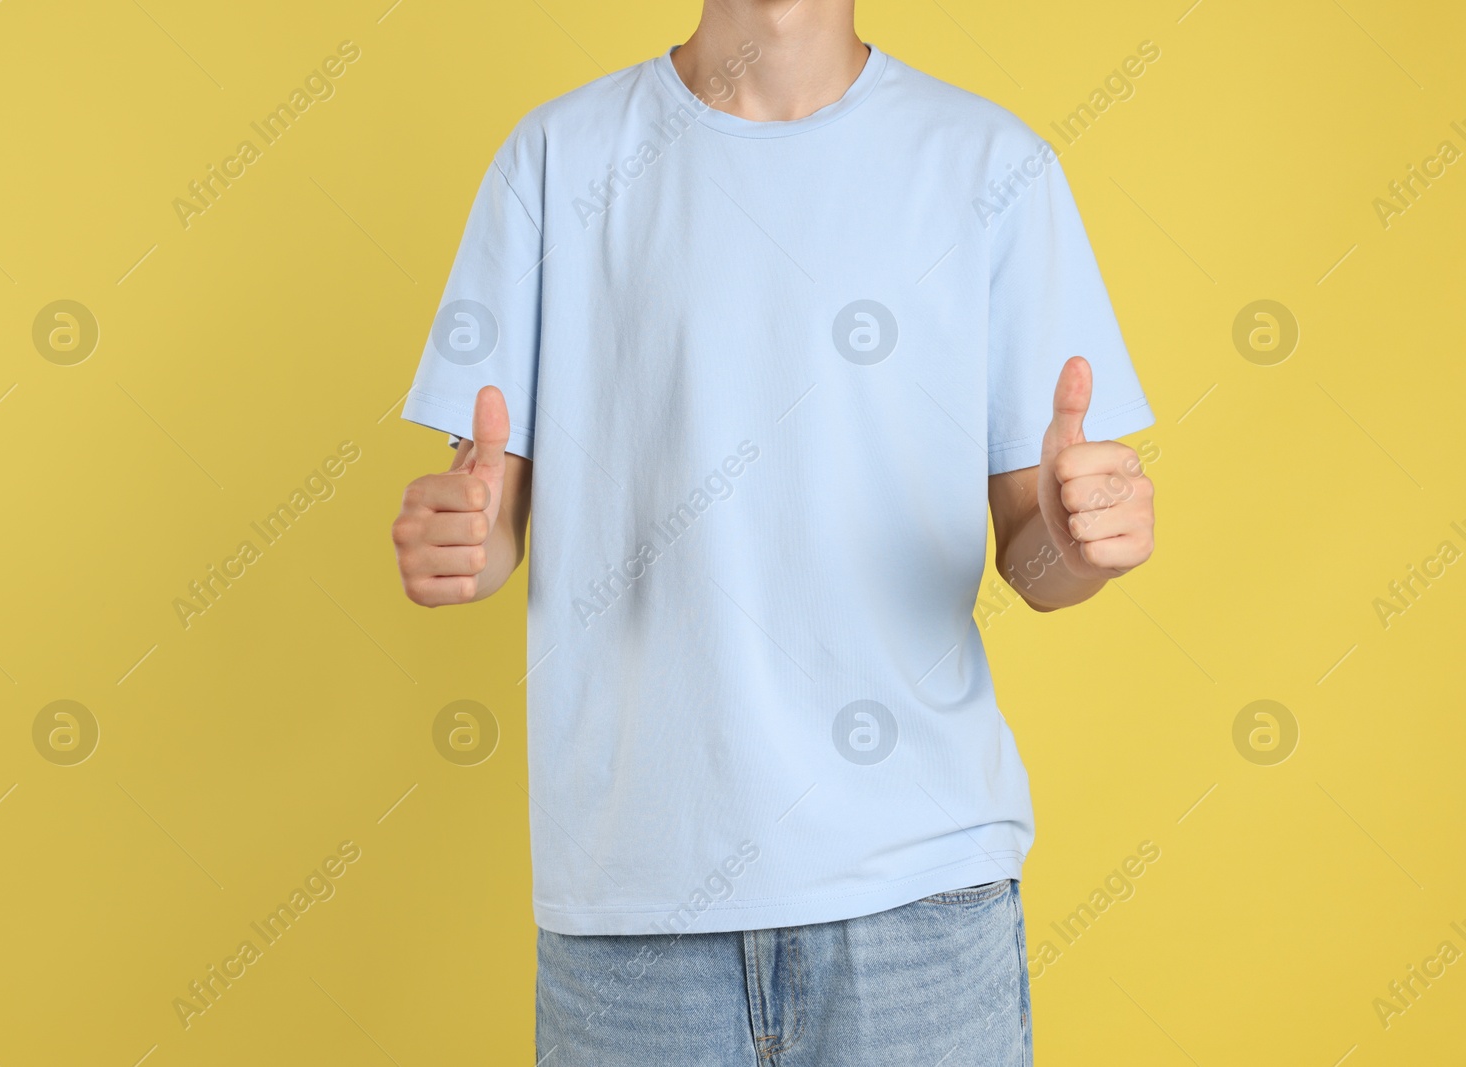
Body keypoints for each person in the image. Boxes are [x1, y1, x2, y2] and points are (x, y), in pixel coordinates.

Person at [392, 1, 1156, 1062]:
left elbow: (1033, 557)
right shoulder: (556, 160)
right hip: (633, 923)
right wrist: (464, 542)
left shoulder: (994, 166)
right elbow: (490, 509)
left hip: (916, 906)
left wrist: (1076, 543)